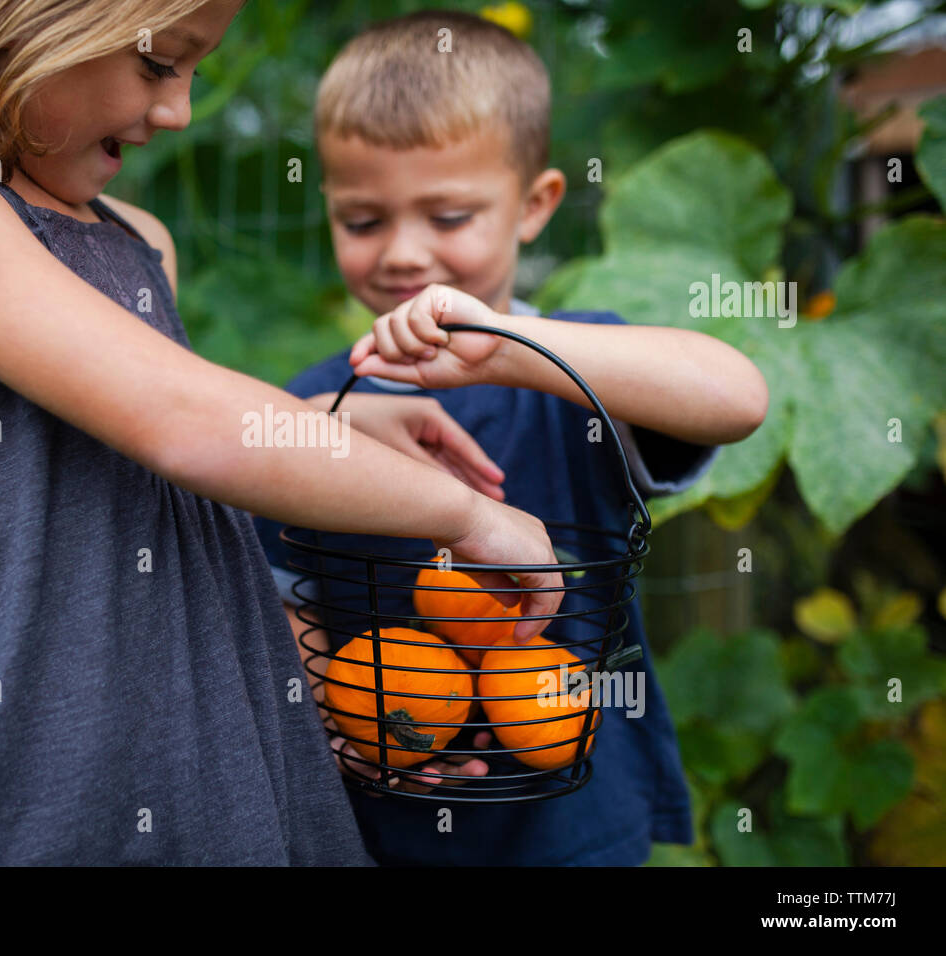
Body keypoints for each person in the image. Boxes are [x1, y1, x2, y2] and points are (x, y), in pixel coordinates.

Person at [0, 0, 565, 865]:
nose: (179, 111)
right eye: (161, 63)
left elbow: (136, 473)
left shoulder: (140, 241)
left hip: (230, 765)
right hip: (46, 780)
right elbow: (181, 424)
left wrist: (325, 426)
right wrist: (462, 515)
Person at [251, 9, 769, 866]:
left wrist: (517, 351)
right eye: (363, 219)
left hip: (579, 827)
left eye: (449, 216)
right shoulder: (318, 406)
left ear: (536, 207)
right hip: (382, 829)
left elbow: (735, 394)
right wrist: (325, 722)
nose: (404, 254)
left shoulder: (577, 375)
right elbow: (284, 602)